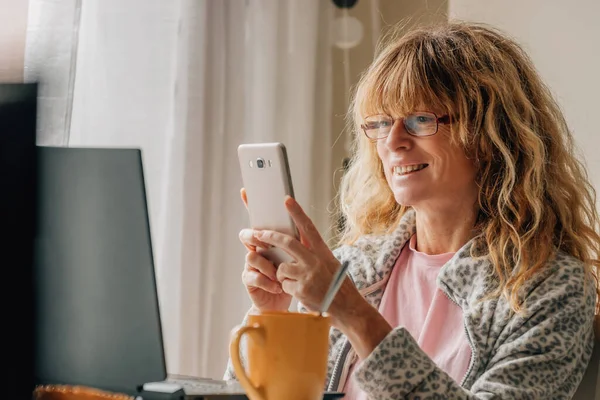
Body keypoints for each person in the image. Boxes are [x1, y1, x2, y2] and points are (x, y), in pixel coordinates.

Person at [224, 20, 599, 399]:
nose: (393, 141)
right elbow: (258, 394)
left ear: (491, 134)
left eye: (421, 119)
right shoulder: (353, 267)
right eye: (381, 122)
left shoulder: (550, 288)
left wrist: (353, 313)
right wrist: (274, 315)